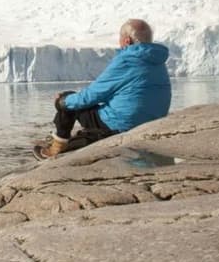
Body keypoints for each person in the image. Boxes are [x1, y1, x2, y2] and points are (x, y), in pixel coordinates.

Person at [35, 19, 172, 159]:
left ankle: (56, 148)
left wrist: (62, 102)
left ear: (127, 41)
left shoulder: (126, 60)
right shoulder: (157, 61)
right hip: (151, 123)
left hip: (122, 125)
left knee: (69, 99)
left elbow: (91, 95)